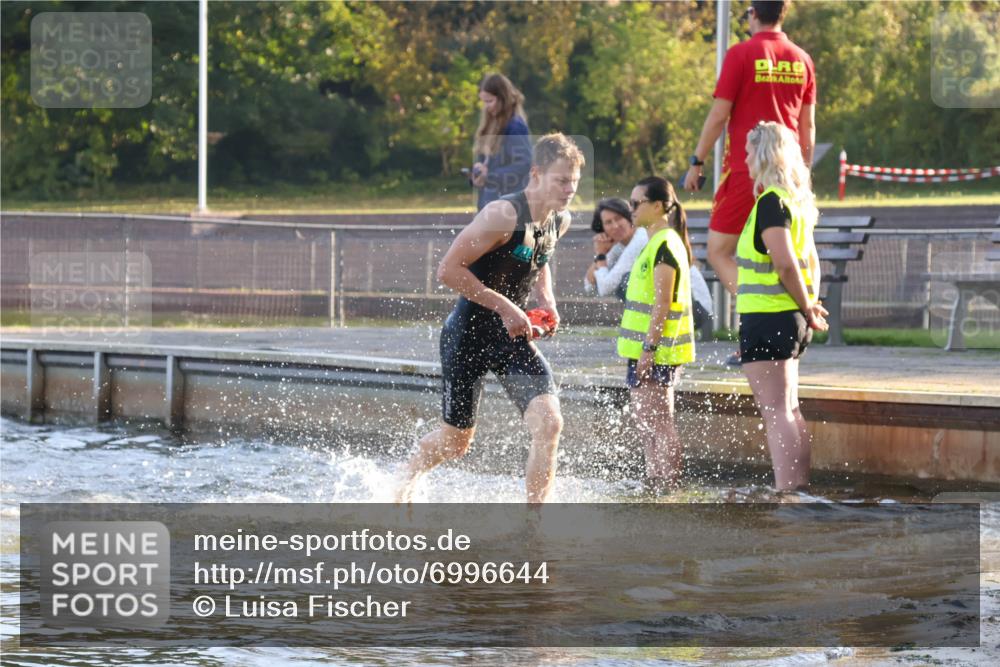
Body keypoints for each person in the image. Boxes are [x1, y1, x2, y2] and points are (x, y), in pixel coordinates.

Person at [396, 133, 585, 505]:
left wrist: (546, 299)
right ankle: (402, 485)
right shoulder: (502, 214)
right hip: (467, 335)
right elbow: (448, 271)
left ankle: (534, 524)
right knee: (455, 443)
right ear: (536, 173)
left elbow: (540, 259)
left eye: (574, 183)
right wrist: (506, 307)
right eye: (561, 181)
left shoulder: (559, 221)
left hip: (512, 336)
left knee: (549, 424)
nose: (568, 190)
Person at [683, 0, 816, 312]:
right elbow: (807, 125)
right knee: (787, 247)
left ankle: (755, 314)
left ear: (753, 14)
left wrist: (697, 161)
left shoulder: (741, 54)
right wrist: (803, 174)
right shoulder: (802, 59)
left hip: (749, 169)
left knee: (718, 251)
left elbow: (718, 116)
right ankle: (793, 308)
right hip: (790, 174)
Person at [737, 121, 828, 492]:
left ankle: (787, 491)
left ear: (763, 155)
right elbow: (812, 262)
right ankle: (797, 489)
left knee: (776, 411)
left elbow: (786, 262)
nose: (743, 159)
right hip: (788, 316)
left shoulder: (771, 203)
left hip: (769, 316)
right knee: (789, 408)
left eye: (747, 151)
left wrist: (807, 307)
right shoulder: (797, 203)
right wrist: (810, 306)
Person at [618, 176, 696, 490]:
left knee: (659, 422)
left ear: (658, 206)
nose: (631, 209)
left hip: (656, 351)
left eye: (637, 203)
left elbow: (663, 303)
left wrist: (649, 349)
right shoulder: (654, 242)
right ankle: (655, 482)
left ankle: (668, 486)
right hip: (644, 350)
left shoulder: (665, 244)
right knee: (646, 423)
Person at [471, 73, 532, 211]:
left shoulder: (515, 126)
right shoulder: (490, 124)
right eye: (484, 101)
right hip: (490, 202)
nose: (486, 106)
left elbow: (523, 165)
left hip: (508, 204)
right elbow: (488, 163)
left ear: (503, 99)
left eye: (489, 101)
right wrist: (477, 172)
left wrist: (490, 176)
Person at [584, 198, 648, 299]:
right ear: (603, 228)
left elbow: (605, 289)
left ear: (629, 217)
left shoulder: (640, 239)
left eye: (618, 218)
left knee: (625, 280)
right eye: (608, 222)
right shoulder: (618, 244)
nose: (615, 226)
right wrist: (602, 253)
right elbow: (589, 286)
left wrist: (600, 256)